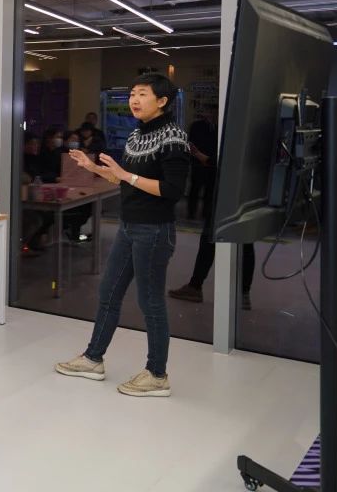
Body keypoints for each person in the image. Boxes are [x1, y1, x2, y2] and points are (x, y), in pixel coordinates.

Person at [56, 73, 190, 398]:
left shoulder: (174, 137)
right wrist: (94, 168)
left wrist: (124, 174)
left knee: (150, 301)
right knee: (108, 291)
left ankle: (157, 374)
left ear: (162, 101)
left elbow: (172, 190)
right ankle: (93, 359)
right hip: (129, 227)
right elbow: (124, 179)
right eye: (132, 94)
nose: (134, 100)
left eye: (142, 94)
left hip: (154, 230)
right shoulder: (136, 134)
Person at [186, 111, 217, 220]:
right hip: (198, 162)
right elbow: (191, 143)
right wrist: (197, 157)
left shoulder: (217, 127)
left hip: (212, 164)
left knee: (210, 190)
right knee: (195, 188)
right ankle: (191, 212)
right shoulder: (197, 126)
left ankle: (206, 213)